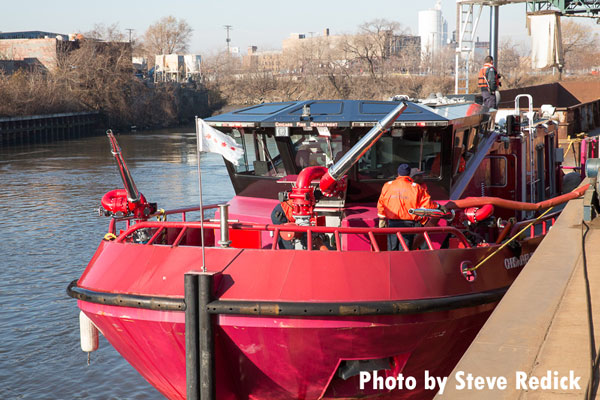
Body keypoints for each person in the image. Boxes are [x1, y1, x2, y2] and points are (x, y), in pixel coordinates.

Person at [377, 164, 441, 251]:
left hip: (392, 223)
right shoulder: (416, 187)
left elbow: (381, 203)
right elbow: (427, 204)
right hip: (408, 224)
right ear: (409, 174)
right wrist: (438, 206)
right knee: (405, 249)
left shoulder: (388, 185)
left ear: (398, 173)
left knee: (392, 249)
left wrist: (381, 219)